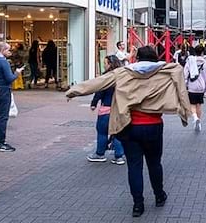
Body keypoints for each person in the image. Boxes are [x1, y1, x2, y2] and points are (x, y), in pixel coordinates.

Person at [66, 45, 190, 217]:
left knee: (134, 166)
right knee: (154, 163)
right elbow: (182, 91)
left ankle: (138, 205)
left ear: (137, 58)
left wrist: (73, 91)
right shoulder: (167, 71)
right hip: (154, 125)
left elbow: (98, 83)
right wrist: (185, 113)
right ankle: (159, 195)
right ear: (155, 58)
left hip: (130, 126)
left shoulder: (124, 73)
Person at [86, 55, 125, 165]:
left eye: (105, 63)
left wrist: (94, 103)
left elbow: (99, 91)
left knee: (102, 132)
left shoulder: (106, 77)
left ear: (110, 64)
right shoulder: (122, 76)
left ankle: (100, 154)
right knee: (117, 132)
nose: (104, 65)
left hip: (106, 109)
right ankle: (119, 156)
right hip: (119, 110)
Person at [0, 42, 24, 152]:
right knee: (3, 116)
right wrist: (17, 73)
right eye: (8, 50)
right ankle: (1, 143)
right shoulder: (4, 62)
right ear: (2, 50)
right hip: (4, 90)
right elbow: (9, 78)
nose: (10, 52)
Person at [184, 45, 206, 132]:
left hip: (192, 85)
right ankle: (199, 120)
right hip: (201, 86)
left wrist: (185, 84)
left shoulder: (190, 61)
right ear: (202, 52)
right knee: (199, 104)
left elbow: (185, 73)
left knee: (192, 104)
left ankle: (195, 117)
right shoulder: (205, 62)